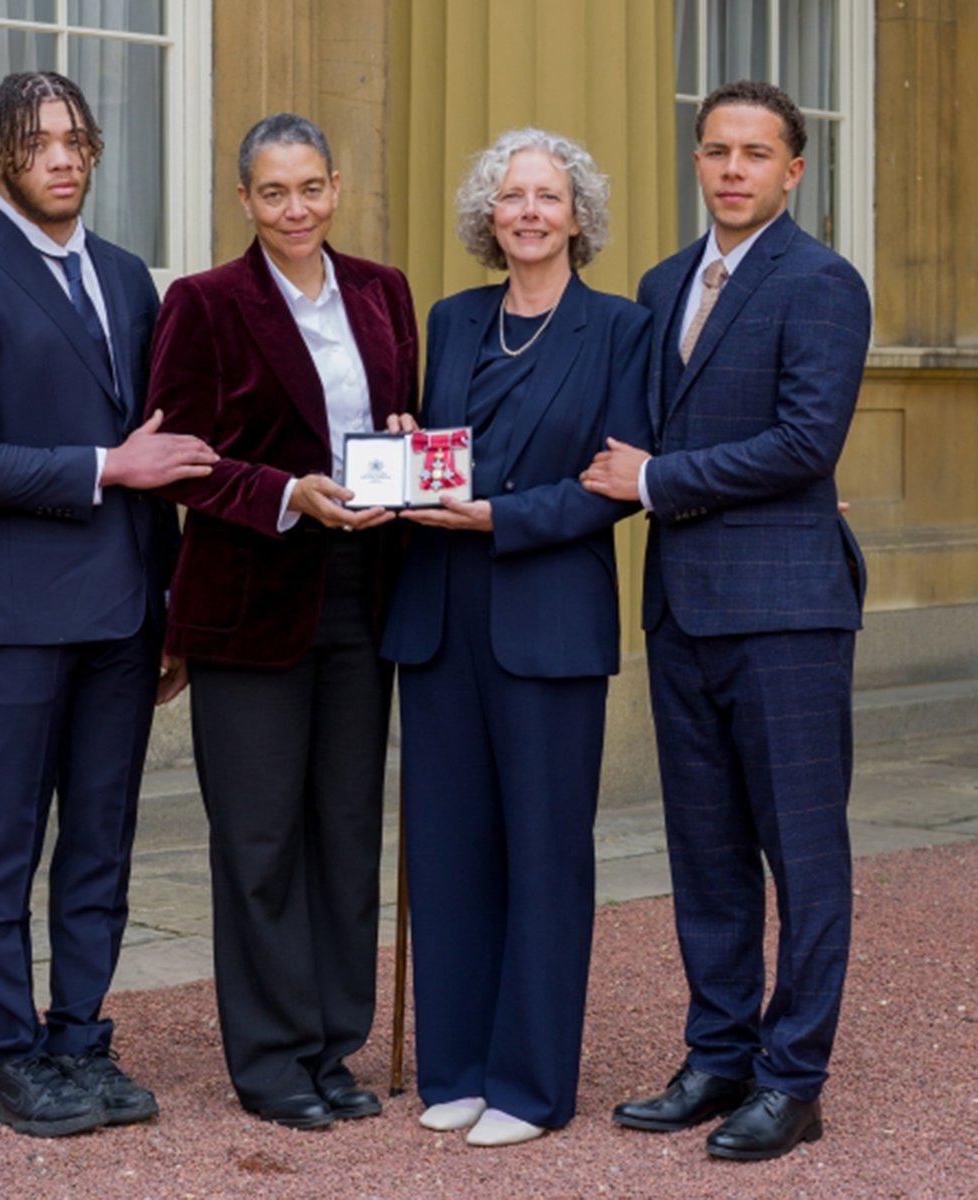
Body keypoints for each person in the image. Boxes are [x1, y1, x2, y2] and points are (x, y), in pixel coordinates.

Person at [0, 72, 217, 1138]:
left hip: (128, 613)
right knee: (2, 846)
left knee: (101, 841)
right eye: (39, 143)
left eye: (78, 138)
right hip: (17, 614)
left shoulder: (133, 281)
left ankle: (80, 1037)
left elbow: (166, 449)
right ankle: (9, 1059)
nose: (64, 157)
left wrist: (173, 601)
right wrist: (105, 467)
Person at [581, 80, 871, 1161]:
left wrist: (660, 478)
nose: (734, 169)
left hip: (789, 610)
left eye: (757, 153)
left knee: (802, 853)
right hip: (684, 609)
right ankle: (718, 1056)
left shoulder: (824, 282)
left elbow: (806, 441)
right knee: (703, 851)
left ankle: (793, 1082)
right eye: (717, 151)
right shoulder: (662, 284)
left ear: (794, 170)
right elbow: (614, 429)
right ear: (697, 163)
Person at [146, 113, 419, 1130]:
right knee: (259, 840)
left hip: (365, 592)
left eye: (310, 188)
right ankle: (268, 1062)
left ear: (336, 185)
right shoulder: (204, 304)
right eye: (273, 192)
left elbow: (407, 417)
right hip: (250, 602)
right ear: (245, 199)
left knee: (346, 831)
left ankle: (331, 1045)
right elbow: (178, 458)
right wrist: (282, 492)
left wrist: (404, 440)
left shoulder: (387, 293)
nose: (294, 209)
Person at [380, 128, 651, 1147]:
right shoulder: (450, 322)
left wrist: (500, 518)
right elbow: (441, 452)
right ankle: (453, 1066)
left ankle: (532, 1084)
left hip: (548, 619)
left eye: (547, 195)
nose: (529, 211)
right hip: (441, 615)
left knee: (544, 856)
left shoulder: (621, 329)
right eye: (510, 196)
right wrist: (411, 456)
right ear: (487, 219)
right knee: (448, 854)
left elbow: (613, 486)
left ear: (578, 217)